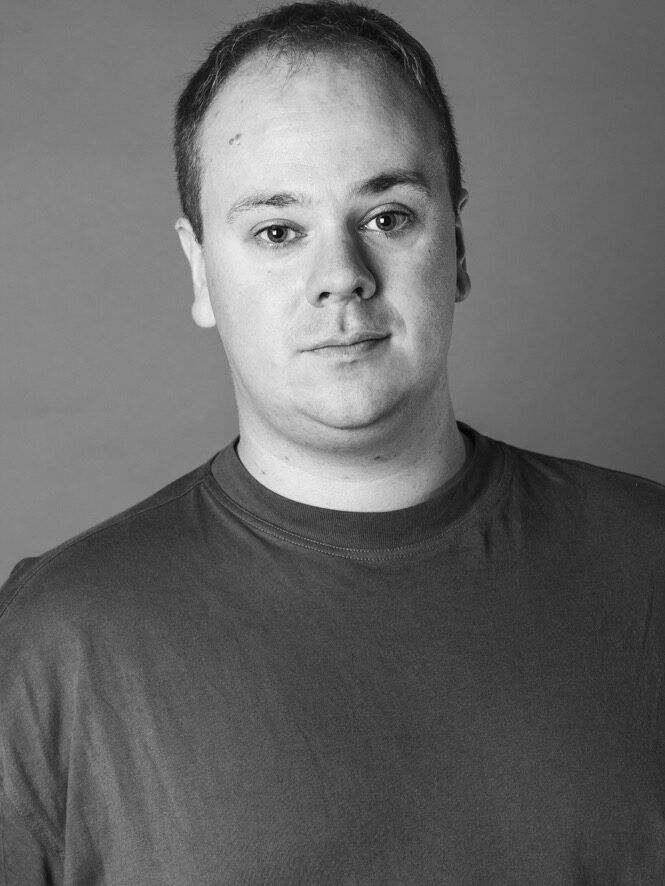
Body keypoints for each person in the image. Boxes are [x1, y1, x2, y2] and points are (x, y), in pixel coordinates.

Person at [1, 1, 664, 883]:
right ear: (200, 269)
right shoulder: (56, 638)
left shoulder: (649, 560)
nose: (341, 277)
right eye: (278, 232)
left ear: (456, 245)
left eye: (387, 216)